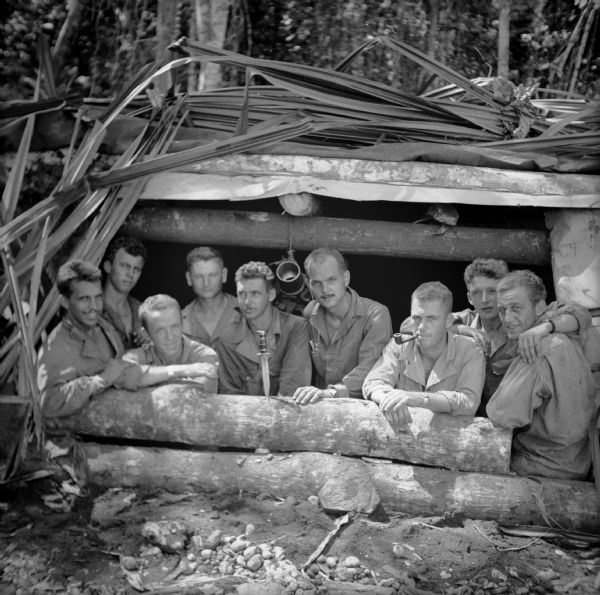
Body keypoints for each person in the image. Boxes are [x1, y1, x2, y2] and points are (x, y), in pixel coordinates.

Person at [415, 258, 590, 415]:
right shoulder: (465, 320)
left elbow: (580, 314)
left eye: (492, 291)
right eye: (477, 293)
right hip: (468, 420)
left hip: (516, 423)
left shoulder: (522, 322)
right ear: (469, 297)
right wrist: (461, 330)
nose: (484, 300)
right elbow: (411, 324)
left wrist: (545, 327)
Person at [486, 270, 596, 480]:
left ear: (539, 307)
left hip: (541, 466)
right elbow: (579, 314)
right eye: (502, 310)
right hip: (578, 460)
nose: (507, 318)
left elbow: (502, 415)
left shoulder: (537, 350)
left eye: (516, 308)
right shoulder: (561, 331)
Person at [363, 282, 485, 431]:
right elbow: (373, 382)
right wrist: (389, 400)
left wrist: (418, 399)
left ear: (448, 321)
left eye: (431, 318)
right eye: (416, 318)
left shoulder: (470, 349)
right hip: (401, 437)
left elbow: (468, 403)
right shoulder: (400, 344)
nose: (421, 326)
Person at [37, 260, 141, 419]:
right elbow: (48, 403)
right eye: (84, 299)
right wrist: (99, 381)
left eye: (98, 297)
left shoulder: (105, 327)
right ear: (65, 302)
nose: (94, 307)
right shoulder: (56, 347)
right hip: (80, 439)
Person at [293, 248, 392, 404]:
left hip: (364, 407)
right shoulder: (309, 313)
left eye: (332, 280)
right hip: (320, 405)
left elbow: (370, 369)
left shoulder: (375, 315)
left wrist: (331, 392)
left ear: (346, 278)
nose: (324, 290)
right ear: (308, 283)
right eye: (317, 283)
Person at [214, 261, 311, 396]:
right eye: (242, 294)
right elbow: (230, 395)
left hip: (287, 413)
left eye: (255, 294)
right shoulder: (227, 339)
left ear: (271, 295)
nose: (247, 302)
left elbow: (293, 388)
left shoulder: (295, 327)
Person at [123, 294, 219, 392]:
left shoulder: (204, 355)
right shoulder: (135, 356)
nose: (170, 336)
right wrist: (177, 370)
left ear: (182, 324)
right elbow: (124, 376)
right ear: (146, 334)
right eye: (161, 330)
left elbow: (192, 395)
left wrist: (145, 380)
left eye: (174, 327)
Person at [181, 246, 238, 347]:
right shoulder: (180, 320)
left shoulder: (245, 312)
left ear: (224, 275)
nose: (206, 283)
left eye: (212, 275)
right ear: (189, 278)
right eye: (199, 276)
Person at [101, 235, 147, 349]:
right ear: (107, 267)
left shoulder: (143, 311)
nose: (130, 274)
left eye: (136, 269)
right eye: (125, 266)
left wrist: (152, 341)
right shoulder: (91, 308)